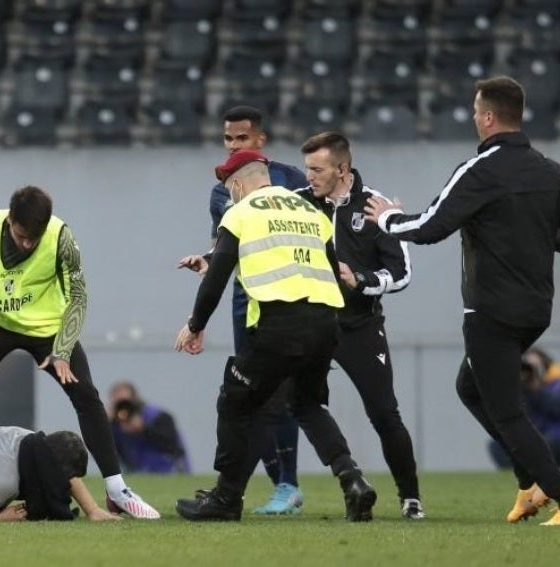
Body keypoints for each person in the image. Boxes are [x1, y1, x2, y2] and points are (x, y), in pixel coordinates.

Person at [364, 76, 560, 526]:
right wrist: (541, 243)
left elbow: (430, 226)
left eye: (475, 112)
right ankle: (529, 487)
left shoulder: (480, 170)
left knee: (507, 413)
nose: (473, 118)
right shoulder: (548, 169)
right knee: (471, 388)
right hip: (534, 312)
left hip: (491, 313)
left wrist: (387, 219)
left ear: (488, 117)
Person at [0, 186, 161, 520]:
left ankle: (116, 490)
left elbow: (79, 296)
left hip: (46, 329)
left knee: (86, 395)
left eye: (34, 239)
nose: (28, 244)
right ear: (10, 221)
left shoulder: (60, 237)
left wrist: (63, 350)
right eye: (23, 236)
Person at [174, 149, 377, 522]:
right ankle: (353, 481)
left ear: (237, 185)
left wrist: (195, 325)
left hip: (279, 324)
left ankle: (225, 499)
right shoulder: (309, 212)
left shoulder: (241, 212)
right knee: (307, 405)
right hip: (325, 322)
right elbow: (333, 271)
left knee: (236, 401)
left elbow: (218, 277)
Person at [178, 105, 310, 515]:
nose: (233, 145)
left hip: (291, 299)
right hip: (245, 299)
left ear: (260, 141)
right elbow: (225, 246)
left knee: (287, 397)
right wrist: (207, 259)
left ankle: (290, 482)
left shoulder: (292, 180)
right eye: (228, 139)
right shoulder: (221, 190)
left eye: (242, 138)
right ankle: (274, 486)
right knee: (252, 396)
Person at [300, 132, 425, 520]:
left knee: (384, 413)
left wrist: (362, 280)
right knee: (299, 401)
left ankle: (410, 497)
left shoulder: (375, 207)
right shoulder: (301, 204)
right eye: (307, 169)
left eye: (317, 169)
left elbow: (402, 274)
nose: (310, 177)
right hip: (313, 326)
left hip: (360, 327)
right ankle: (347, 478)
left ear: (342, 169)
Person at [489, 347, 560, 470]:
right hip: (536, 445)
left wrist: (537, 390)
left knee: (549, 445)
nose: (531, 372)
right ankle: (521, 478)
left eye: (535, 367)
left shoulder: (559, 387)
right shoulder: (520, 392)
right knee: (498, 445)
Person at [108, 381, 190, 474]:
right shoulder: (114, 424)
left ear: (135, 399)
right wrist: (104, 424)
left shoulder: (157, 416)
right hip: (138, 473)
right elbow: (105, 453)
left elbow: (171, 443)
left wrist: (143, 429)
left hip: (169, 470)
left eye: (126, 402)